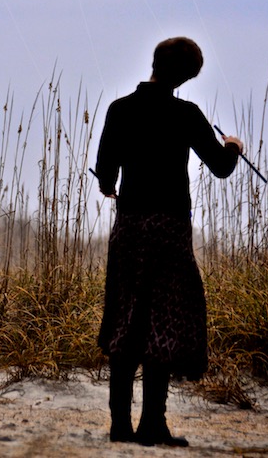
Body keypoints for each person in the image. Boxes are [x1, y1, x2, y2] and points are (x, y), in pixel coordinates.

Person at [95, 37, 243, 447]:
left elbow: (106, 173)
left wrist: (112, 186)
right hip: (170, 229)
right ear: (188, 75)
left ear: (154, 63)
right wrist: (233, 146)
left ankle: (119, 426)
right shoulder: (187, 114)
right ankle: (152, 425)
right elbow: (221, 166)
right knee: (162, 321)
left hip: (129, 229)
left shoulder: (120, 109)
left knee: (127, 319)